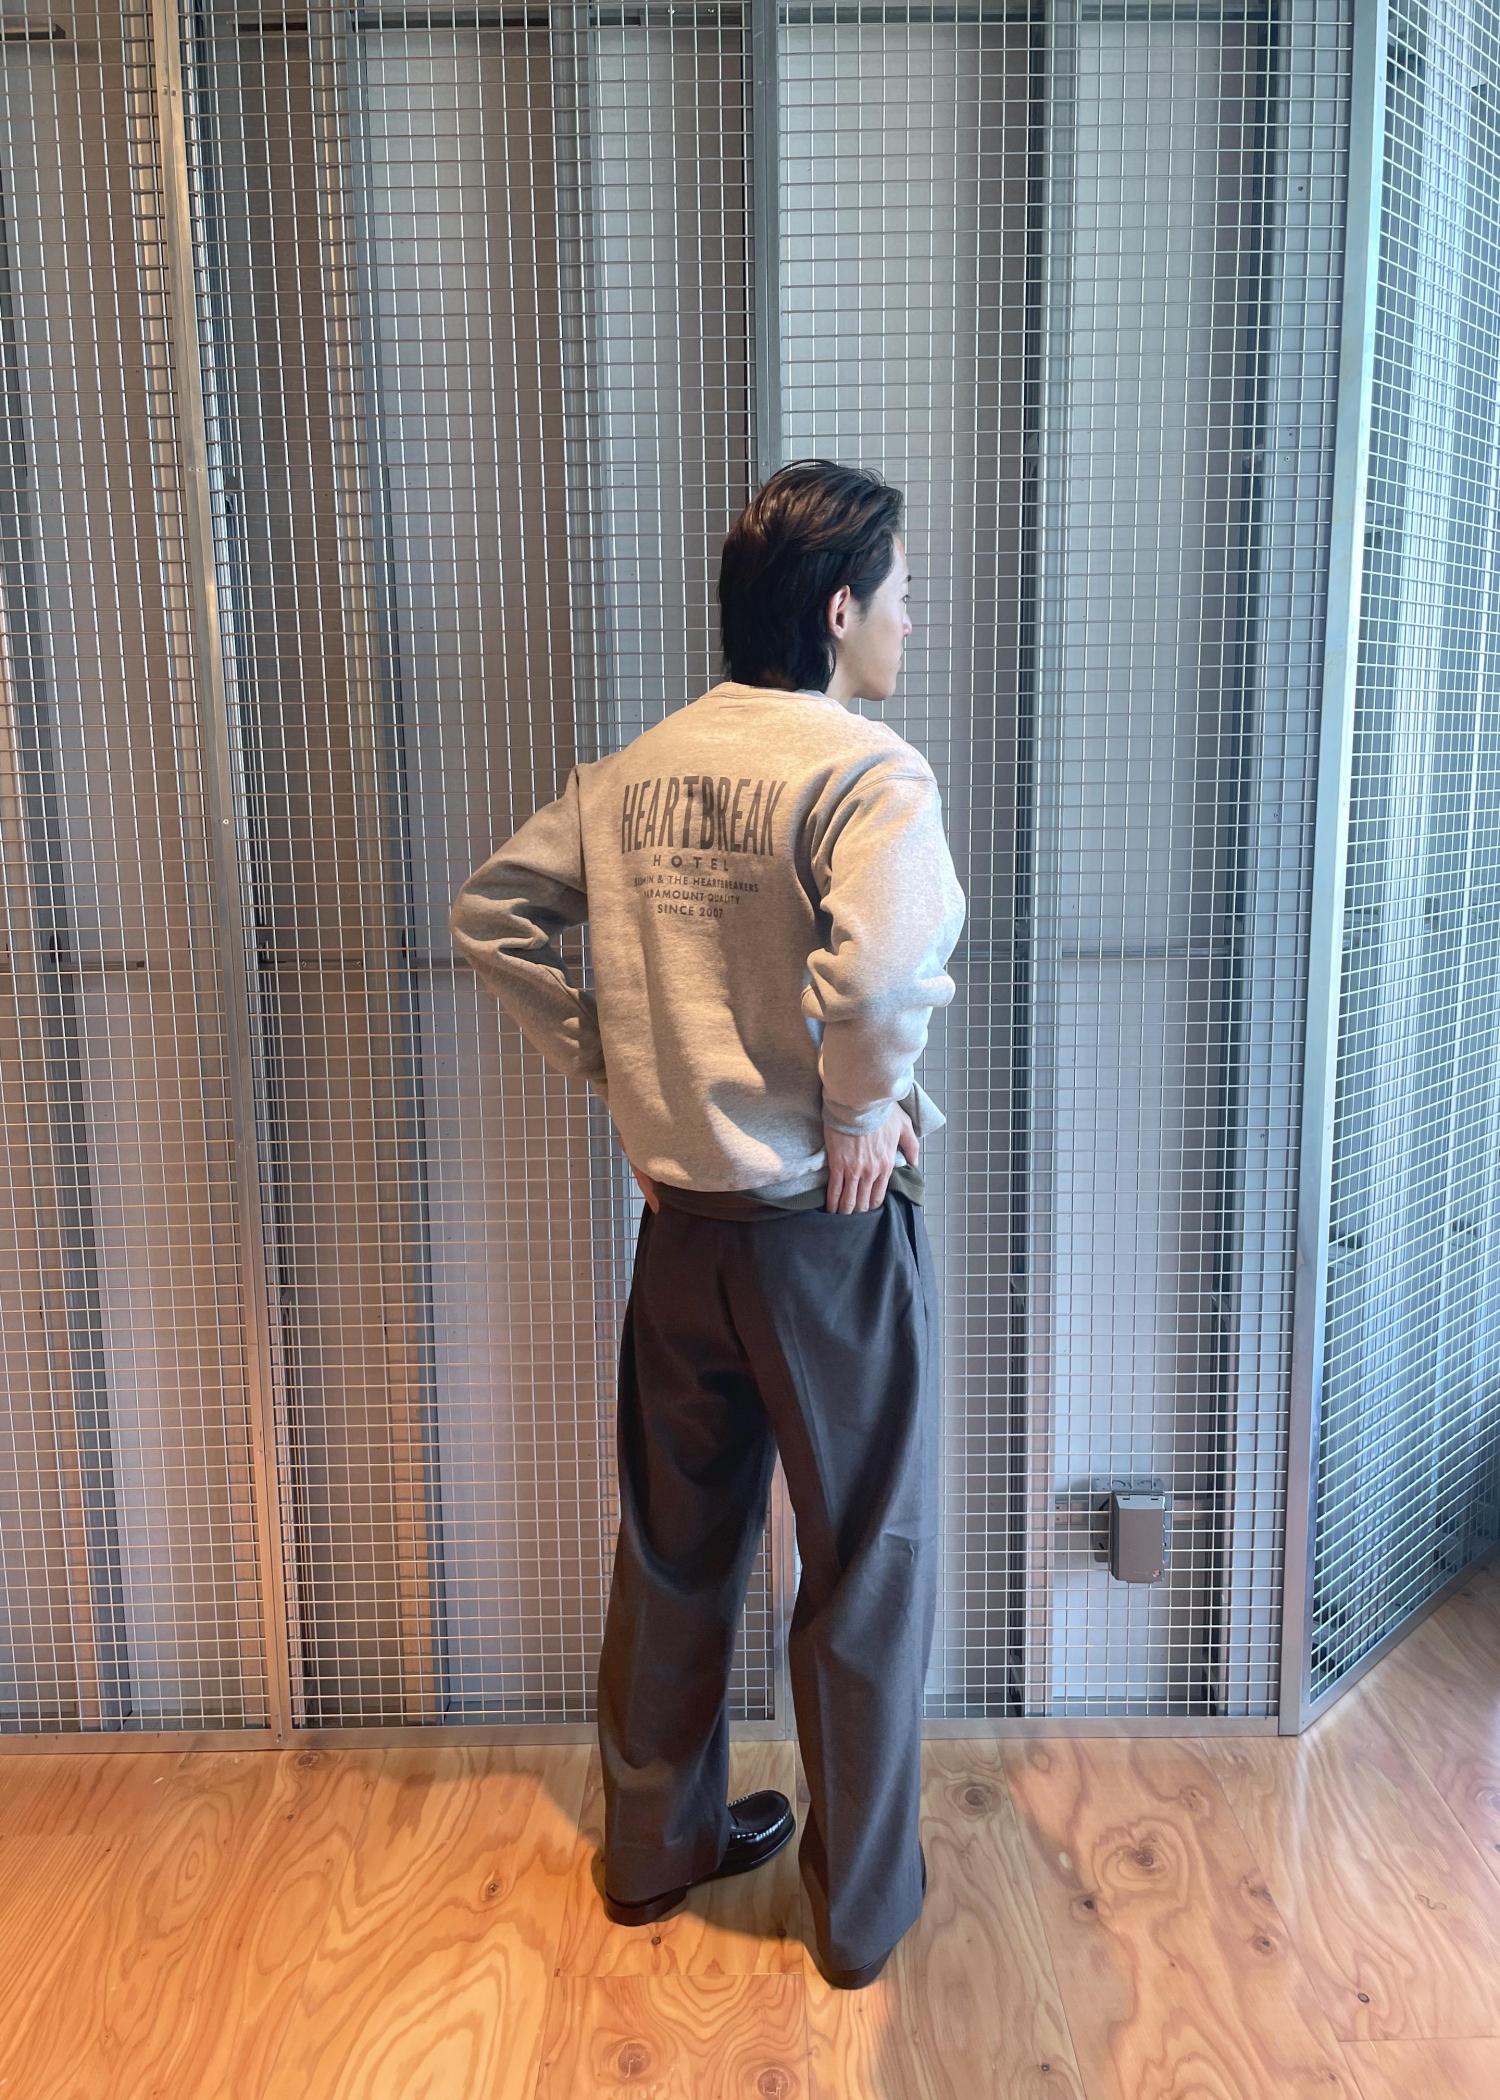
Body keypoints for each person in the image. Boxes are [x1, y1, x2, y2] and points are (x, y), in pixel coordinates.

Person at [448, 459, 967, 1989]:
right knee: (864, 1565)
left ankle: (652, 1849)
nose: (912, 619)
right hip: (824, 1235)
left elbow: (493, 914)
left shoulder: (631, 774)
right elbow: (882, 975)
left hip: (679, 1233)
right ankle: (857, 1912)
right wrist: (862, 1107)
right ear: (839, 611)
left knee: (675, 1554)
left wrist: (618, 1060)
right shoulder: (868, 773)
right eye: (901, 593)